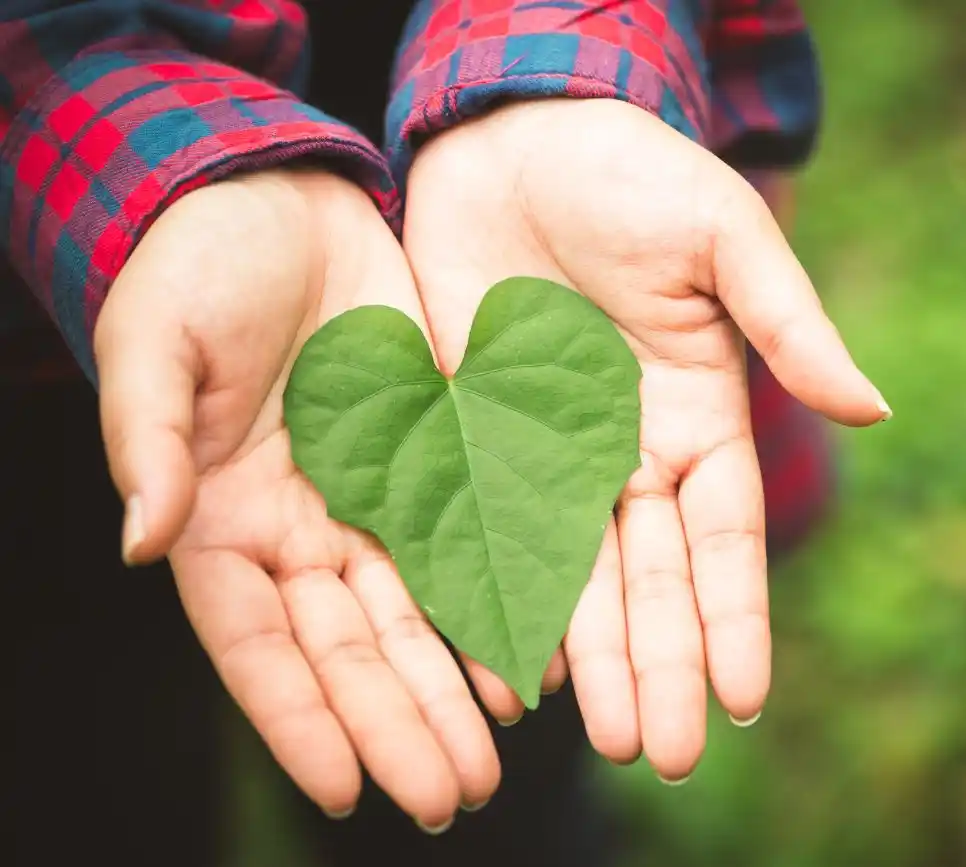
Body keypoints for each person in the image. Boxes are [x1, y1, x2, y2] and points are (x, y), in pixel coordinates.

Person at [2, 1, 889, 863]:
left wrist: (545, 76)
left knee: (501, 785)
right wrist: (135, 149)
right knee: (86, 762)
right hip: (63, 355)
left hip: (443, 151)